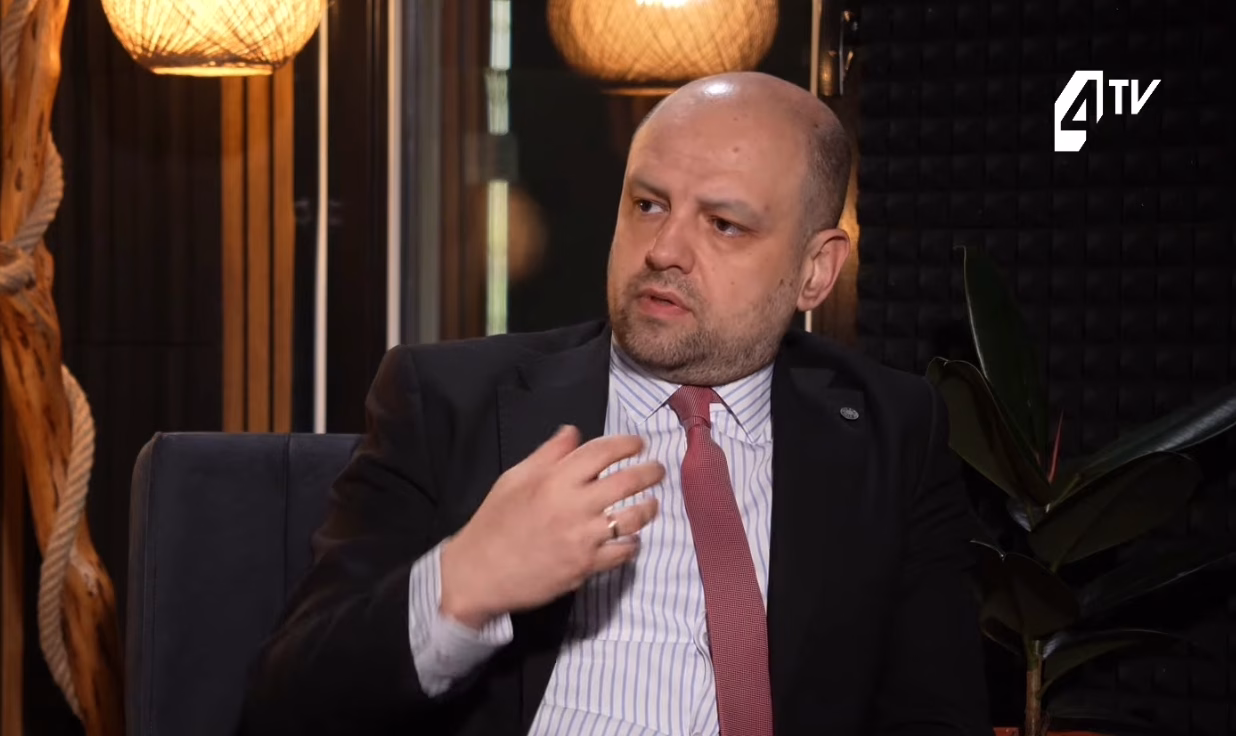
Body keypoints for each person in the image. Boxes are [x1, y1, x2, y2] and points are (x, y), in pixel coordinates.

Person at [238, 71, 990, 736]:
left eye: (724, 224)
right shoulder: (446, 401)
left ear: (817, 270)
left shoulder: (895, 430)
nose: (664, 250)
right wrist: (467, 581)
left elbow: (935, 715)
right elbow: (284, 708)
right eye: (648, 204)